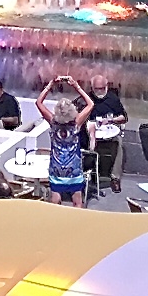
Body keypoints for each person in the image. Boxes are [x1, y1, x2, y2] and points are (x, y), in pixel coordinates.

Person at [36, 77, 90, 208]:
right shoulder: (76, 123)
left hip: (56, 168)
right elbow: (90, 104)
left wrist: (50, 85)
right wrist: (76, 86)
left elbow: (38, 103)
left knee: (55, 203)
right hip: (74, 169)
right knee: (77, 202)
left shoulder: (53, 122)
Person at [86, 72, 128, 191]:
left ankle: (115, 178)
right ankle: (87, 174)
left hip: (109, 132)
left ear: (106, 87)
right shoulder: (87, 99)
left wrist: (111, 120)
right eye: (96, 89)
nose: (99, 91)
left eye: (102, 88)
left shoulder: (112, 99)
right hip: (91, 132)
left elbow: (124, 117)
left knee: (119, 143)